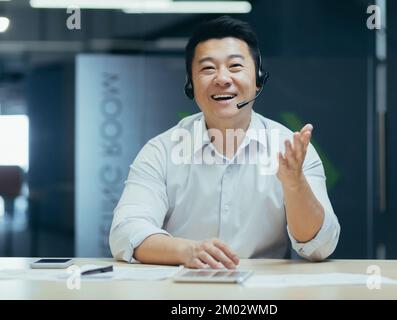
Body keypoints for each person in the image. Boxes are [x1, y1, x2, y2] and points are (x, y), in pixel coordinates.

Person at [109, 16, 340, 269]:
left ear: (258, 77)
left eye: (235, 66)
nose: (222, 78)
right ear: (190, 84)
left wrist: (295, 185)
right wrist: (187, 251)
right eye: (208, 68)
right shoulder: (161, 151)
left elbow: (321, 246)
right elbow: (126, 231)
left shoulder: (290, 149)